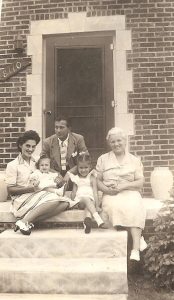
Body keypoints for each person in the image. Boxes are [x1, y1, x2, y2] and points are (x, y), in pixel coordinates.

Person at [5, 130, 75, 236]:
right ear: (20, 145)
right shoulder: (13, 165)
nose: (30, 149)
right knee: (55, 199)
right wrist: (31, 188)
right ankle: (24, 222)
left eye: (33, 146)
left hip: (39, 194)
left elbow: (54, 172)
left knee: (65, 204)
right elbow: (10, 190)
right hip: (21, 198)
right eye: (27, 146)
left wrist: (59, 178)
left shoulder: (37, 161)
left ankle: (26, 221)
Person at [96, 127, 147, 261]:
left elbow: (140, 182)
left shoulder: (134, 160)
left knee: (135, 205)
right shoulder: (103, 159)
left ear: (125, 141)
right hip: (111, 193)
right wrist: (107, 190)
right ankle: (138, 238)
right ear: (109, 143)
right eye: (113, 142)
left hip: (130, 191)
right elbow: (97, 181)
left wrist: (124, 186)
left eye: (119, 140)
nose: (116, 144)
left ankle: (135, 249)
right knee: (114, 206)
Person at [41, 116, 88, 187]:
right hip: (54, 176)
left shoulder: (78, 139)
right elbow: (42, 162)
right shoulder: (48, 142)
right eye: (56, 127)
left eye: (61, 127)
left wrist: (69, 173)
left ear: (69, 128)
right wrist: (56, 174)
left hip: (75, 174)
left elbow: (86, 159)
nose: (58, 130)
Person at [69, 153, 107, 234]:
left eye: (86, 167)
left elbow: (95, 192)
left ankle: (87, 222)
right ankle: (98, 220)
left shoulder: (92, 177)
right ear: (77, 168)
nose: (83, 170)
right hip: (80, 201)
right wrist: (72, 203)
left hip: (90, 200)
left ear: (90, 167)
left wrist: (96, 205)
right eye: (81, 168)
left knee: (89, 205)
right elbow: (73, 192)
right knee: (86, 199)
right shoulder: (76, 178)